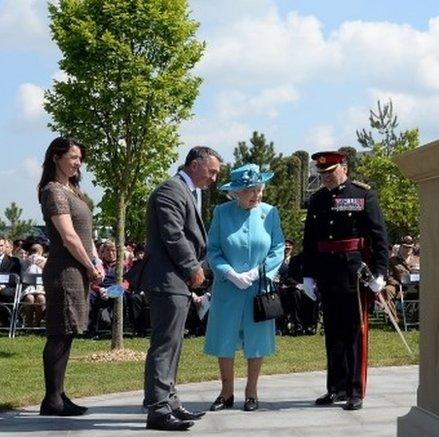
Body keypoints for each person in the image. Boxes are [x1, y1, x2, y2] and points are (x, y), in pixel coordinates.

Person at [142, 146, 221, 431]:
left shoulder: (187, 192)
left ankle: (170, 402)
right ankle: (159, 409)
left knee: (173, 344)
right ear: (194, 165)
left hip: (175, 281)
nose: (213, 178)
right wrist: (192, 267)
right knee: (165, 345)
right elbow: (173, 234)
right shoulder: (171, 191)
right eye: (211, 171)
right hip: (168, 279)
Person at [303, 150, 389, 410]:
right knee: (333, 334)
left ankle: (355, 390)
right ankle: (336, 388)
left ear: (344, 167)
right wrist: (307, 274)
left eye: (330, 173)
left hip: (354, 273)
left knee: (353, 333)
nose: (326, 179)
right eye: (322, 175)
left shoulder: (363, 195)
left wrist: (381, 273)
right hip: (327, 274)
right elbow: (310, 241)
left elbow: (379, 236)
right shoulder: (317, 200)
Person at [204, 164, 284, 413]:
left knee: (256, 340)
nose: (257, 195)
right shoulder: (221, 212)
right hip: (228, 288)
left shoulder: (270, 213)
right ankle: (226, 392)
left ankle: (252, 391)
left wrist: (259, 272)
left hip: (259, 289)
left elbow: (278, 248)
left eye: (259, 189)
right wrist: (229, 273)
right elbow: (213, 249)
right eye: (251, 190)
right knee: (224, 339)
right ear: (236, 192)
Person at [37, 137, 105, 416]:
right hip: (64, 271)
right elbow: (69, 236)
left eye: (80, 158)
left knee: (68, 334)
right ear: (56, 157)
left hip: (78, 270)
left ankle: (59, 395)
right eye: (73, 157)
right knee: (59, 333)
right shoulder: (53, 191)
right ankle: (51, 399)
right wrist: (90, 265)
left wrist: (96, 261)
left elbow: (86, 236)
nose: (78, 163)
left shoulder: (74, 191)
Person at [20, 243, 47, 328]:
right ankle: (29, 323)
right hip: (29, 289)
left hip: (42, 289)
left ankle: (37, 323)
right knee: (30, 298)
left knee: (40, 298)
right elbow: (22, 277)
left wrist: (45, 266)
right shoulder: (25, 262)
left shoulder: (46, 262)